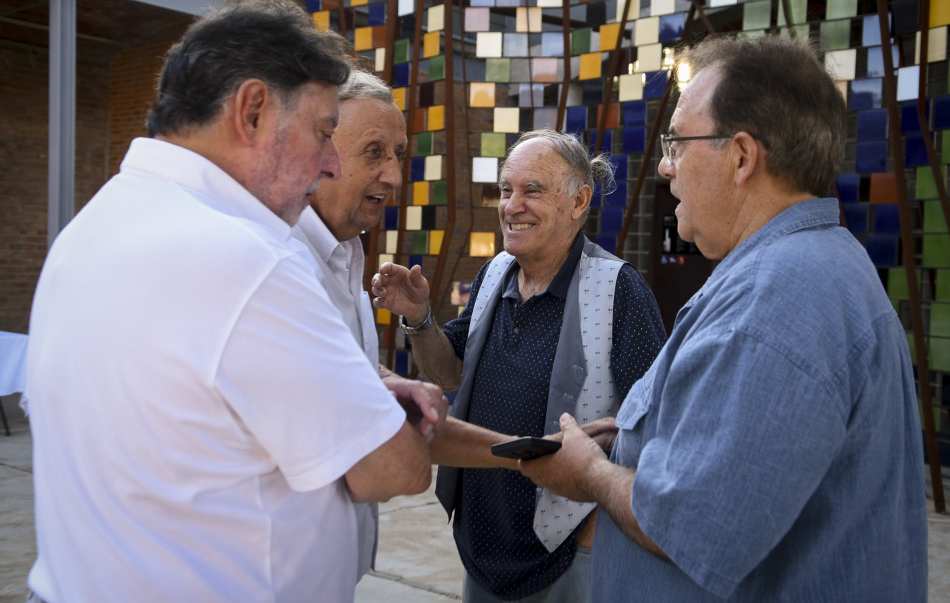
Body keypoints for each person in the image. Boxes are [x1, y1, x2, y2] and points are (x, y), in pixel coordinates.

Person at [25, 0, 445, 603]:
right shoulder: (250, 259)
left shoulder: (92, 226)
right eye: (324, 131)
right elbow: (393, 469)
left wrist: (358, 394)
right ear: (252, 110)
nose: (329, 162)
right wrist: (389, 416)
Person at [519, 33, 929, 602]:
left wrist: (588, 472)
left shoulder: (780, 293)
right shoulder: (808, 267)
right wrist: (642, 439)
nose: (665, 166)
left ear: (741, 157)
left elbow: (693, 525)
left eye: (678, 143)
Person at [371, 128, 667, 602]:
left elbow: (656, 428)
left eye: (532, 190)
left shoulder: (620, 291)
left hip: (569, 551)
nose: (512, 205)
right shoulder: (493, 274)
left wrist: (593, 529)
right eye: (507, 190)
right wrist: (418, 317)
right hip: (482, 543)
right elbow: (450, 375)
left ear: (578, 201)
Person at [290, 68, 444, 578]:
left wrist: (388, 383)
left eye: (398, 154)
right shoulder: (281, 269)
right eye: (374, 152)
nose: (395, 175)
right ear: (317, 152)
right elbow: (380, 463)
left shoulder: (349, 257)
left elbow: (346, 383)